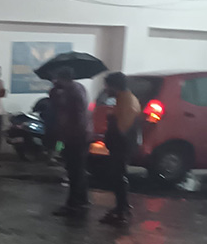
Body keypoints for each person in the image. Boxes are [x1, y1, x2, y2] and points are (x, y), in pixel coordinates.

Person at [49, 67, 92, 217]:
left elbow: (66, 112)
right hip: (81, 135)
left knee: (74, 171)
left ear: (62, 78)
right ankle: (82, 200)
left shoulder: (70, 93)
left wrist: (55, 92)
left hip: (74, 136)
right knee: (79, 170)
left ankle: (73, 204)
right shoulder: (79, 88)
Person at [100, 72, 140, 225]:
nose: (105, 89)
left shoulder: (125, 101)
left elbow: (122, 129)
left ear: (114, 86)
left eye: (107, 86)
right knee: (118, 176)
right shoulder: (125, 99)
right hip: (123, 146)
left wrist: (111, 121)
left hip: (121, 147)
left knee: (118, 177)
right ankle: (122, 207)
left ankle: (121, 211)